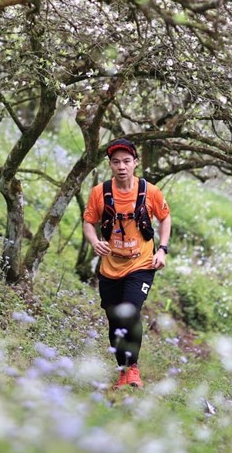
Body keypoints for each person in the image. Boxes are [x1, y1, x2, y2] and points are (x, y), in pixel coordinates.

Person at [83, 138, 172, 390]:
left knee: (130, 313)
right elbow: (89, 221)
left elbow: (165, 218)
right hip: (110, 266)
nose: (121, 166)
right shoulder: (100, 193)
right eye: (115, 162)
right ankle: (122, 370)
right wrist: (94, 240)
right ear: (110, 165)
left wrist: (162, 250)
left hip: (141, 263)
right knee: (114, 320)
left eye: (126, 161)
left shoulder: (150, 192)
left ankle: (133, 369)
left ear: (135, 163)